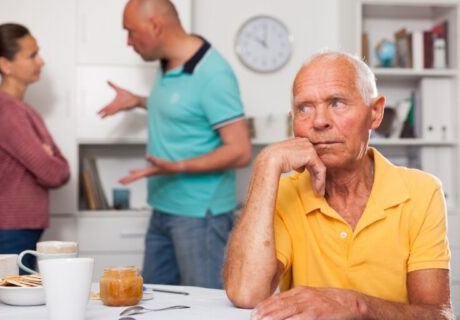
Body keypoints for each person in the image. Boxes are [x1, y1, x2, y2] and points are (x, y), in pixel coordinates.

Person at [223, 51, 453, 319]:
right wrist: (266, 165)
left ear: (375, 113)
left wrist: (357, 306)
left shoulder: (422, 192)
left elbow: (438, 315)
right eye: (304, 108)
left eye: (337, 103)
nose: (319, 121)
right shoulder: (286, 193)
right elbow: (245, 293)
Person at [98, 0, 251, 288]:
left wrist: (177, 166)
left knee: (203, 308)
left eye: (130, 32)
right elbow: (184, 109)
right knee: (154, 302)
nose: (128, 41)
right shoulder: (168, 62)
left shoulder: (213, 74)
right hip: (162, 207)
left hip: (199, 217)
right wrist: (139, 101)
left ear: (156, 26)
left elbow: (241, 151)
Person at [0, 23, 70, 273]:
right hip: (6, 234)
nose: (41, 61)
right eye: (32, 55)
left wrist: (49, 157)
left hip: (15, 232)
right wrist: (47, 156)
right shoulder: (4, 110)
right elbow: (54, 173)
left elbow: (62, 169)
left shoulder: (21, 110)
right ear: (5, 65)